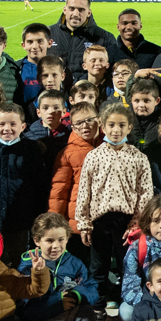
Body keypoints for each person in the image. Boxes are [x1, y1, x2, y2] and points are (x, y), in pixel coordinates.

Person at [76, 102, 153, 321]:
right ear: (103, 127)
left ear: (129, 128)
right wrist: (84, 223)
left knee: (126, 267)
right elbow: (85, 191)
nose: (116, 130)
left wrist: (137, 222)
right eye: (111, 125)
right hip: (99, 221)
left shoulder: (138, 157)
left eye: (121, 125)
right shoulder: (93, 156)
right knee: (98, 268)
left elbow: (145, 192)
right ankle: (97, 310)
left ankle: (126, 310)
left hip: (126, 223)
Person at [19, 212, 98, 321]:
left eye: (61, 240)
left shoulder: (75, 263)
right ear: (37, 240)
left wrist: (78, 295)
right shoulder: (26, 266)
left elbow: (92, 288)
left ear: (68, 238)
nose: (56, 246)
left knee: (87, 314)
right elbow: (26, 311)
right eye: (50, 241)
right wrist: (57, 302)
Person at [0, 102, 46, 264]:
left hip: (20, 219)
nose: (7, 128)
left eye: (13, 124)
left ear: (23, 126)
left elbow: (40, 185)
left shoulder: (31, 151)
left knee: (18, 258)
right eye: (2, 124)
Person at [48, 101, 101, 251]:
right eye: (79, 123)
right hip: (76, 221)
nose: (85, 126)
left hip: (103, 219)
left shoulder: (109, 146)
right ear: (73, 127)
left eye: (89, 120)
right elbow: (58, 191)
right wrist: (55, 223)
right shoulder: (67, 153)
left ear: (99, 120)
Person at [50, 0, 119, 77]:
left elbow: (114, 70)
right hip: (54, 89)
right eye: (71, 9)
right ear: (65, 10)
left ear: (89, 13)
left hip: (88, 89)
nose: (75, 14)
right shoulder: (48, 33)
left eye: (81, 10)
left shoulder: (105, 37)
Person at [16, 23, 52, 107]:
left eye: (40, 41)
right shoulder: (15, 68)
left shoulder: (59, 68)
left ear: (49, 43)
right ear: (23, 45)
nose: (35, 46)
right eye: (30, 42)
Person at [128, 78, 161, 146]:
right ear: (131, 100)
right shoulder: (127, 121)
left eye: (146, 101)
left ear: (157, 101)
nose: (141, 105)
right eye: (137, 101)